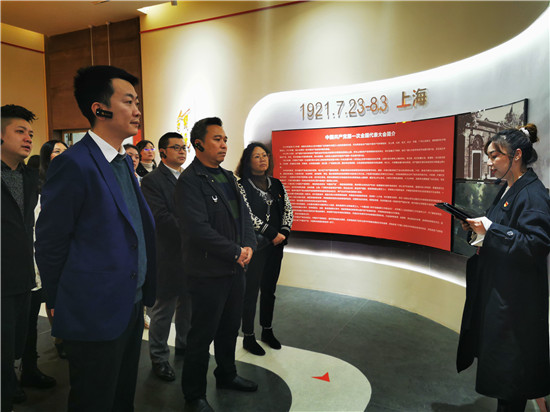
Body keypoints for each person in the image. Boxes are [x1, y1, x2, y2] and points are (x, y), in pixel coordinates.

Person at [35, 65, 157, 412]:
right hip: (93, 307)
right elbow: (50, 240)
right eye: (128, 101)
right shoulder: (74, 164)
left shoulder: (123, 162)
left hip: (130, 302)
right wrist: (56, 299)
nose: (137, 110)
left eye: (137, 102)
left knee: (122, 395)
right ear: (99, 109)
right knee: (94, 399)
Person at [456, 124, 550, 412]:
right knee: (505, 376)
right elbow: (499, 229)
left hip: (516, 304)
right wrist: (477, 229)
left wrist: (491, 230)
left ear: (516, 155)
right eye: (488, 156)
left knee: (512, 380)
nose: (489, 162)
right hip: (502, 295)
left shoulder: (533, 194)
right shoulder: (509, 189)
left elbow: (537, 244)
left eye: (495, 155)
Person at [174, 117, 257, 412]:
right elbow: (197, 229)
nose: (224, 145)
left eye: (225, 140)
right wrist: (235, 251)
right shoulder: (189, 181)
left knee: (230, 327)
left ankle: (226, 374)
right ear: (198, 144)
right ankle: (194, 394)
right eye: (217, 139)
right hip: (207, 272)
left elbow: (244, 217)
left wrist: (248, 246)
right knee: (201, 335)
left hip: (234, 269)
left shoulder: (228, 177)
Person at [141, 132, 191, 382]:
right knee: (164, 308)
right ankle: (159, 357)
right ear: (163, 152)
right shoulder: (152, 181)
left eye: (184, 147)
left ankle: (183, 344)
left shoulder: (189, 177)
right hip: (168, 253)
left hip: (191, 254)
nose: (182, 152)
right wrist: (194, 230)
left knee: (188, 304)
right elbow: (160, 217)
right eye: (176, 148)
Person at [235, 142, 293, 356]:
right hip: (256, 247)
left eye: (265, 155)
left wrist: (283, 232)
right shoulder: (241, 186)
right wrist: (272, 233)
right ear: (247, 161)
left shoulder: (276, 183)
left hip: (276, 247)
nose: (262, 159)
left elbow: (288, 210)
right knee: (250, 292)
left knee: (269, 290)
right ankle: (248, 336)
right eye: (257, 156)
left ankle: (267, 330)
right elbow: (247, 215)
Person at [1, 104, 40, 411]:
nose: (28, 138)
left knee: (15, 346)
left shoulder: (30, 176)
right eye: (20, 131)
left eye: (30, 133)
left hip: (23, 276)